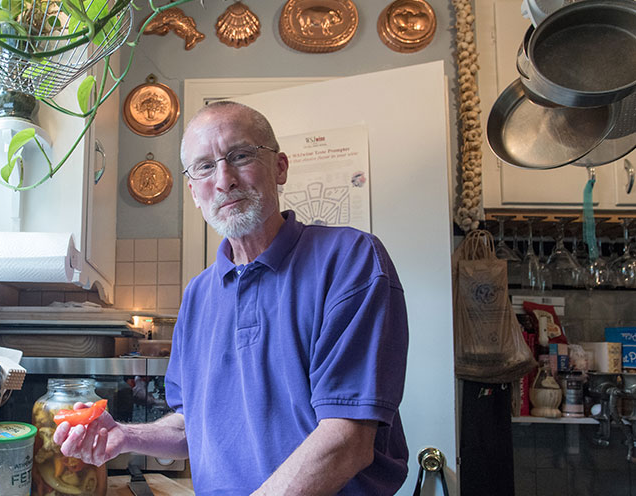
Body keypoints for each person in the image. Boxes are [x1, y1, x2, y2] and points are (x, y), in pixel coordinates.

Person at [54, 101, 410, 495]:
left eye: (240, 156)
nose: (224, 180)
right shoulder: (198, 295)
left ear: (280, 167)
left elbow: (346, 440)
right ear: (192, 191)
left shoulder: (350, 260)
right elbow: (195, 425)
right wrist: (125, 435)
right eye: (205, 166)